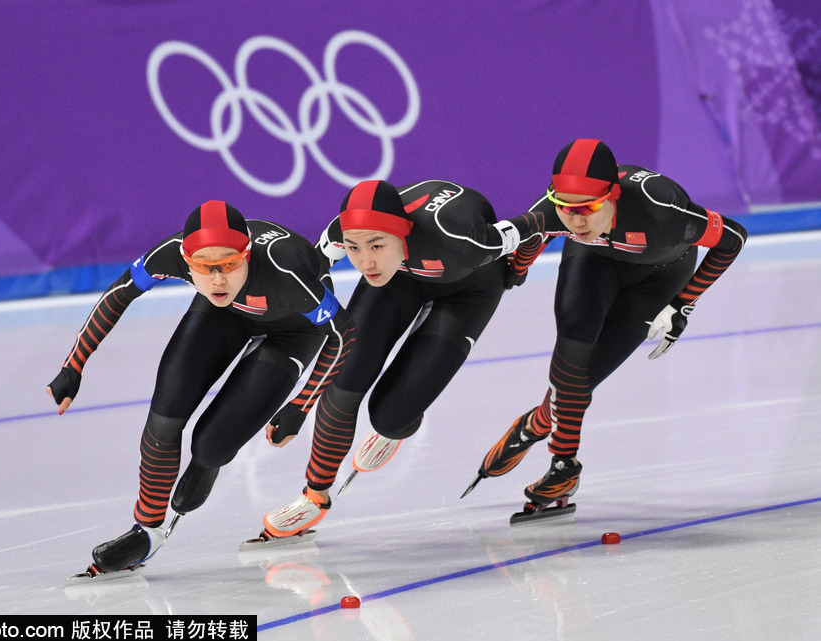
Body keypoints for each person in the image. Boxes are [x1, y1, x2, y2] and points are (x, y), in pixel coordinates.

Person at [47, 200, 356, 575]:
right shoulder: (171, 255)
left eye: (229, 264)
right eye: (204, 268)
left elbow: (343, 334)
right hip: (221, 314)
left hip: (292, 332)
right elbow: (119, 294)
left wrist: (301, 404)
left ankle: (208, 460)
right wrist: (74, 365)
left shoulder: (285, 268)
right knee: (164, 420)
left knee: (211, 445)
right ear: (185, 260)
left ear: (247, 254)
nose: (218, 279)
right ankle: (146, 532)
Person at [462, 138, 748, 514]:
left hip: (659, 278)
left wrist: (683, 303)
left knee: (585, 377)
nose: (575, 220)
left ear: (613, 195)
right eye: (565, 209)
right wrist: (517, 268)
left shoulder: (661, 210)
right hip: (592, 259)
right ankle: (564, 466)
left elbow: (733, 238)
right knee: (572, 351)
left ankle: (535, 424)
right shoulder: (560, 213)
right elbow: (535, 232)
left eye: (587, 209)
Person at [259, 179, 546, 539]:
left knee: (391, 418)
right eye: (354, 248)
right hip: (400, 277)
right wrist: (301, 404)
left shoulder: (466, 238)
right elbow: (314, 290)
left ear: (402, 233)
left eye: (376, 245)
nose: (364, 261)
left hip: (467, 287)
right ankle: (314, 498)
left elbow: (536, 223)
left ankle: (398, 427)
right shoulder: (344, 237)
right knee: (343, 385)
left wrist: (516, 272)